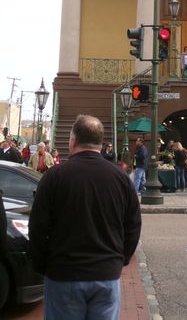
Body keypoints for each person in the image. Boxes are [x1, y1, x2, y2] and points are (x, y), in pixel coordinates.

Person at [29, 114, 141, 320]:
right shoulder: (121, 179)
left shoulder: (54, 177)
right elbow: (133, 226)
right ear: (100, 143)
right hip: (106, 273)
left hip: (64, 273)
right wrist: (120, 259)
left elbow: (37, 227)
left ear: (73, 141)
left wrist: (43, 265)